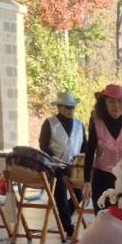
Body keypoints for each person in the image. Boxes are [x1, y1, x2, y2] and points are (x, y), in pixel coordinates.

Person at [83, 84, 122, 211]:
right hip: (101, 179)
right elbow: (89, 152)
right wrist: (87, 181)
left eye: (120, 101)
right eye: (111, 101)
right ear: (104, 104)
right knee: (103, 221)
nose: (116, 105)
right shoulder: (96, 125)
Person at [38, 91, 86, 236]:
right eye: (67, 107)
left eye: (73, 107)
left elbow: (85, 145)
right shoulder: (49, 123)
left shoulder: (79, 124)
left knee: (78, 195)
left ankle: (64, 217)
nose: (71, 110)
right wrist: (52, 158)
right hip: (55, 166)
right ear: (59, 107)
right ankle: (67, 226)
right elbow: (43, 144)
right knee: (60, 194)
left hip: (74, 166)